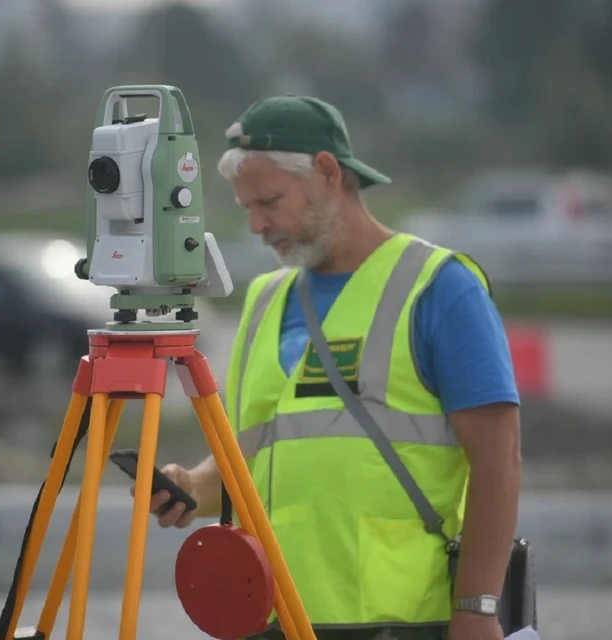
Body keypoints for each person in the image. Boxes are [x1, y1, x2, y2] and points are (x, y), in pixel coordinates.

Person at [132, 95, 522, 640]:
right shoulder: (265, 299)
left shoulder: (439, 287)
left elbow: (499, 460)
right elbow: (258, 457)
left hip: (401, 623)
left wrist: (478, 609)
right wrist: (194, 488)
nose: (257, 225)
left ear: (327, 172)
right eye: (246, 207)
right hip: (269, 620)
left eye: (268, 201)